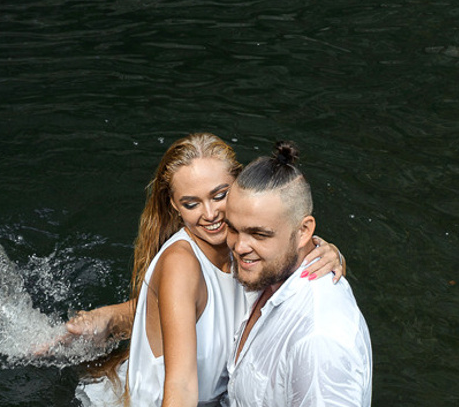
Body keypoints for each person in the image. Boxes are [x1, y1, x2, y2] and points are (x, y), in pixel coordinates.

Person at [65, 133, 346, 407]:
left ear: (240, 186)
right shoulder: (181, 265)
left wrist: (324, 250)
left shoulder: (245, 247)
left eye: (219, 195)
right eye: (191, 204)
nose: (210, 215)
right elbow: (181, 386)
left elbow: (284, 243)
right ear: (175, 205)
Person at [226, 144, 371, 407]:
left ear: (304, 231)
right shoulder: (266, 270)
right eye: (233, 229)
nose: (239, 247)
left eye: (259, 234)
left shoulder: (319, 337)